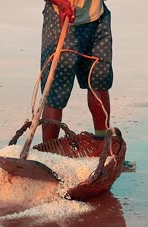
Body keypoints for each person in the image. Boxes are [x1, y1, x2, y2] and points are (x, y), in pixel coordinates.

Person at [40, 0, 113, 143]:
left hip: (98, 18)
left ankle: (103, 145)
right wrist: (60, 2)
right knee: (55, 93)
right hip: (62, 18)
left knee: (99, 82)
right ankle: (47, 152)